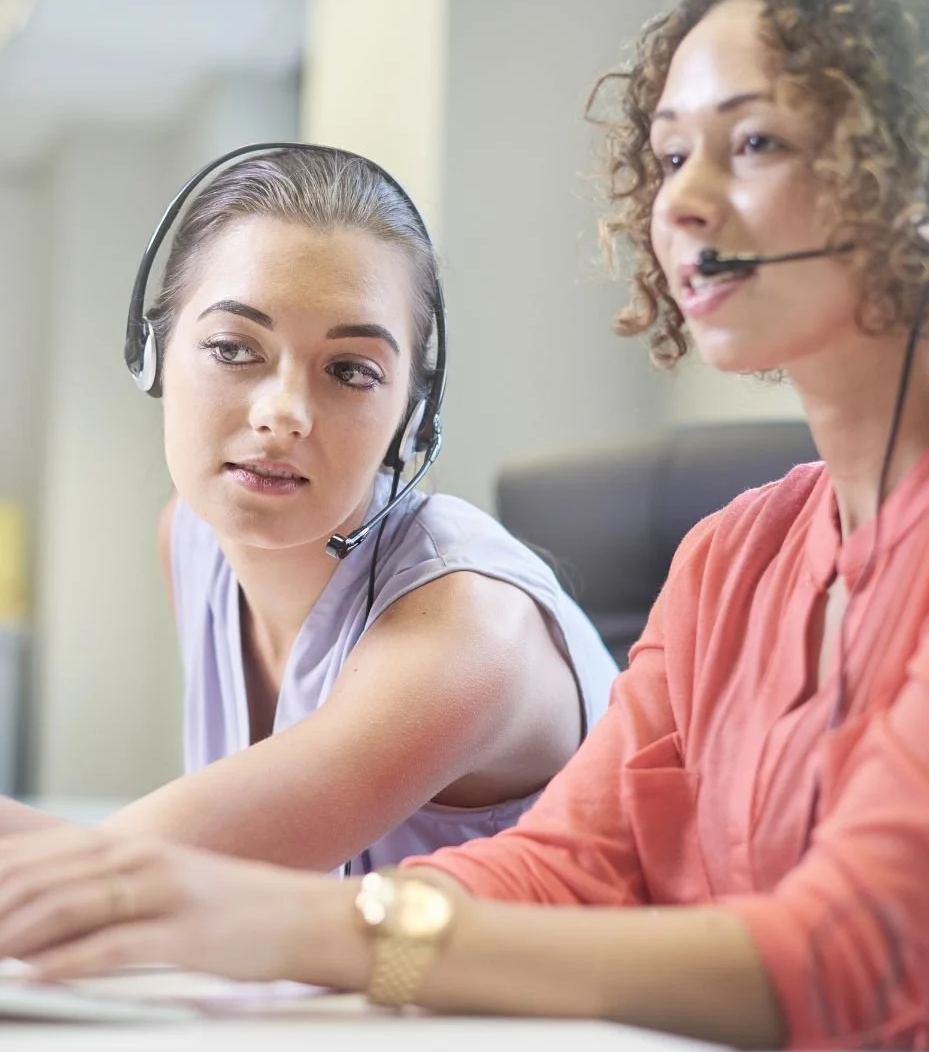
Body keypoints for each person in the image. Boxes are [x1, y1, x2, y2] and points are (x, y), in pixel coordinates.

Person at [1, 0, 929, 1052]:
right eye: (667, 157)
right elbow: (565, 871)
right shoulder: (732, 558)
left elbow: (849, 954)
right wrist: (319, 936)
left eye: (750, 143)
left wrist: (291, 920)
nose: (684, 203)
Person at [0, 145, 617, 873]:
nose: (284, 413)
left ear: (412, 420)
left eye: (350, 371)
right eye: (234, 348)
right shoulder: (193, 536)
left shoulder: (468, 634)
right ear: (154, 354)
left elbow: (115, 881)